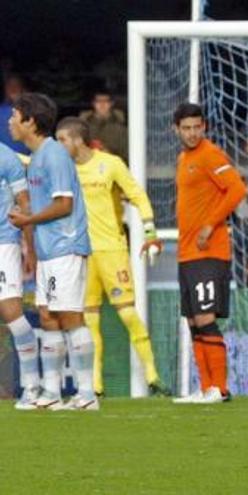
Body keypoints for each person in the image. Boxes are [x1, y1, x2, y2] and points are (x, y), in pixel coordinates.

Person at [55, 117, 169, 397]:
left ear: (77, 140)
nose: (59, 147)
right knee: (89, 319)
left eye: (62, 141)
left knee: (127, 314)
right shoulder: (64, 170)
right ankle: (96, 385)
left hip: (112, 250)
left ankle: (152, 375)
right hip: (81, 253)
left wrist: (150, 231)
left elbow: (138, 195)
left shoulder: (110, 164)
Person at [8, 93, 96, 410]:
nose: (9, 122)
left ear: (30, 121)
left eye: (14, 116)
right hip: (48, 252)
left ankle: (86, 394)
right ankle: (52, 391)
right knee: (48, 317)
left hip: (65, 245)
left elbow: (64, 204)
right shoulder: (37, 157)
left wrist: (28, 219)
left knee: (70, 316)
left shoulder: (55, 154)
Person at [170, 103, 247, 404]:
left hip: (208, 251)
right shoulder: (183, 158)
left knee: (204, 318)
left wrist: (210, 225)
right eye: (186, 128)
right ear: (176, 129)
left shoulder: (210, 154)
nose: (192, 133)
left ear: (204, 127)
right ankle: (205, 388)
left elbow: (238, 189)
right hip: (187, 253)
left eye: (196, 127)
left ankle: (220, 388)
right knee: (192, 321)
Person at [0, 140, 40, 409]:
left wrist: (31, 249)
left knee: (11, 313)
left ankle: (32, 385)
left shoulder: (6, 157)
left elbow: (25, 204)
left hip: (3, 242)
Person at [79, 90, 128, 160]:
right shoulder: (83, 127)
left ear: (111, 103)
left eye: (106, 101)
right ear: (93, 103)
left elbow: (127, 155)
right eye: (98, 101)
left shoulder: (121, 128)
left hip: (113, 167)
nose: (102, 104)